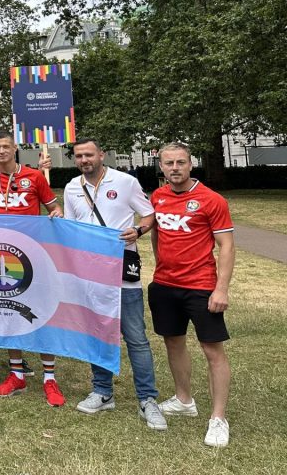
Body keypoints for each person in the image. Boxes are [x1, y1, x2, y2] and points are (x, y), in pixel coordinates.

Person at [64, 138, 167, 431]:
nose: (85, 160)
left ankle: (148, 400)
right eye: (79, 156)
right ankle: (102, 391)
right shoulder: (72, 187)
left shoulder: (125, 182)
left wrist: (138, 230)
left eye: (89, 154)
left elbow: (149, 215)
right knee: (98, 334)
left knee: (135, 338)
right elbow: (73, 229)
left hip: (122, 270)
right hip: (90, 274)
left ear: (101, 155)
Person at [0, 130, 65, 406]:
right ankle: (17, 373)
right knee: (10, 312)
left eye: (5, 146)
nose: (1, 151)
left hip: (33, 256)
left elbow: (54, 208)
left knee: (41, 314)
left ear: (15, 147)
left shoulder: (33, 177)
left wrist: (56, 214)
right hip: (1, 260)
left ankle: (49, 378)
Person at [149, 142, 235, 448]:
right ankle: (184, 400)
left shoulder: (211, 200)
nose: (174, 168)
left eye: (180, 162)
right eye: (169, 163)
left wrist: (221, 288)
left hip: (201, 287)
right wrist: (163, 266)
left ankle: (218, 419)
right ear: (161, 165)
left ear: (190, 164)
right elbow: (157, 234)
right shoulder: (157, 197)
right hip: (164, 285)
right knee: (173, 342)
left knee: (212, 350)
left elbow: (226, 246)